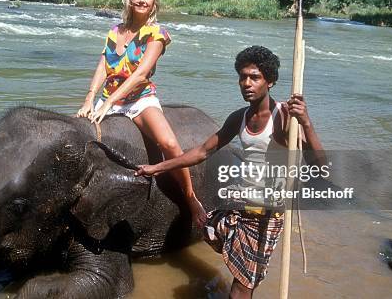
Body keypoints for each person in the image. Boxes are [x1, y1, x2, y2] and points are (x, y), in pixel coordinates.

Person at [136, 46, 326, 298]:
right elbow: (203, 151)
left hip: (267, 215)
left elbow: (320, 168)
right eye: (243, 76)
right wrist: (157, 167)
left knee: (239, 290)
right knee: (208, 227)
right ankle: (245, 267)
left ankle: (248, 273)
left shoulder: (284, 117)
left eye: (255, 77)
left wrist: (306, 122)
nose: (247, 83)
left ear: (270, 82)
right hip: (240, 206)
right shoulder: (240, 117)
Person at [76, 0, 207, 228]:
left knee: (169, 142)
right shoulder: (115, 31)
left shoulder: (157, 34)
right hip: (108, 99)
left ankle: (191, 198)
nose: (142, 0)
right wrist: (89, 100)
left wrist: (109, 102)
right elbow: (103, 66)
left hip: (139, 99)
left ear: (153, 3)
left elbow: (140, 75)